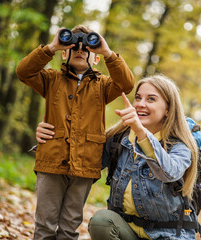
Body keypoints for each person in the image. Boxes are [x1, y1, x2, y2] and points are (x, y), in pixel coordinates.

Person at [36, 75, 199, 239]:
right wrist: (50, 137)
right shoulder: (118, 139)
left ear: (168, 109)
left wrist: (141, 132)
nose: (140, 104)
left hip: (169, 235)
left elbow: (168, 172)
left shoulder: (180, 145)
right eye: (138, 97)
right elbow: (80, 161)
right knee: (102, 221)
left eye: (151, 99)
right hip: (127, 232)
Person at [16, 25, 135, 240]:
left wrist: (108, 53)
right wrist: (51, 47)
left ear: (95, 58)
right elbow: (24, 72)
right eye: (74, 47)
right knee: (44, 224)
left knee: (69, 226)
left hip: (85, 164)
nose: (80, 50)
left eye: (87, 49)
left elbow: (126, 83)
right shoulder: (51, 80)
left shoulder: (103, 86)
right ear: (64, 52)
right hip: (51, 160)